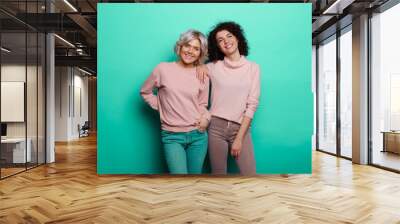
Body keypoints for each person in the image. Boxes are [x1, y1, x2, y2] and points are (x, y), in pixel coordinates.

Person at [140, 30, 210, 174]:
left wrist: (206, 119)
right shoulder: (162, 69)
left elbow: (202, 104)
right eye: (187, 46)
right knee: (179, 182)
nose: (190, 51)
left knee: (195, 181)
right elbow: (145, 92)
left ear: (201, 53)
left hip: (198, 135)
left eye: (196, 48)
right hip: (172, 136)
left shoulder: (202, 74)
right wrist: (163, 106)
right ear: (180, 47)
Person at [197, 21, 261, 175]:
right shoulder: (213, 67)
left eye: (229, 36)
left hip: (241, 128)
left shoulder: (253, 68)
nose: (226, 41)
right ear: (217, 46)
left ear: (238, 38)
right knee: (218, 175)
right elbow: (193, 72)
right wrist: (199, 65)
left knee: (250, 174)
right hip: (215, 127)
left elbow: (252, 105)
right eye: (220, 40)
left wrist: (239, 138)